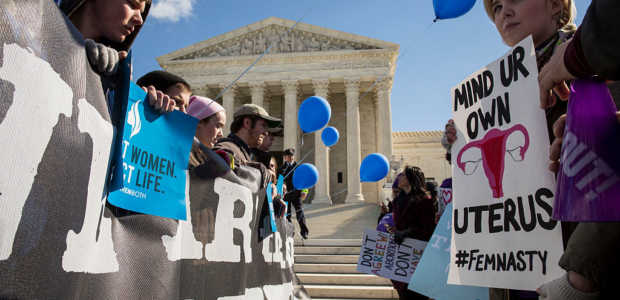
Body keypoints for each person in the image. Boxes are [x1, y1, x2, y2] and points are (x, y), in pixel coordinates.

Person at [390, 166, 435, 300]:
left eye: (403, 175)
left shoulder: (424, 200)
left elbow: (427, 228)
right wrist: (396, 232)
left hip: (417, 255)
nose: (399, 177)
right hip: (401, 257)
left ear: (410, 179)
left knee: (416, 295)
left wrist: (406, 233)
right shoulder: (398, 201)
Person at [213, 104, 281, 187]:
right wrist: (259, 170)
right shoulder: (227, 147)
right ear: (247, 123)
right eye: (263, 125)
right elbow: (221, 159)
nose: (266, 132)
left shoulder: (244, 151)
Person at [278, 148, 310, 239]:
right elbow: (280, 182)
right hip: (286, 195)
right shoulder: (281, 169)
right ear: (285, 157)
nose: (290, 158)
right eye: (288, 156)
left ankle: (304, 232)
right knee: (287, 215)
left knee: (300, 212)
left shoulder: (299, 167)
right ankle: (290, 231)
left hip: (297, 193)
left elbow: (304, 180)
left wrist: (304, 191)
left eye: (292, 156)